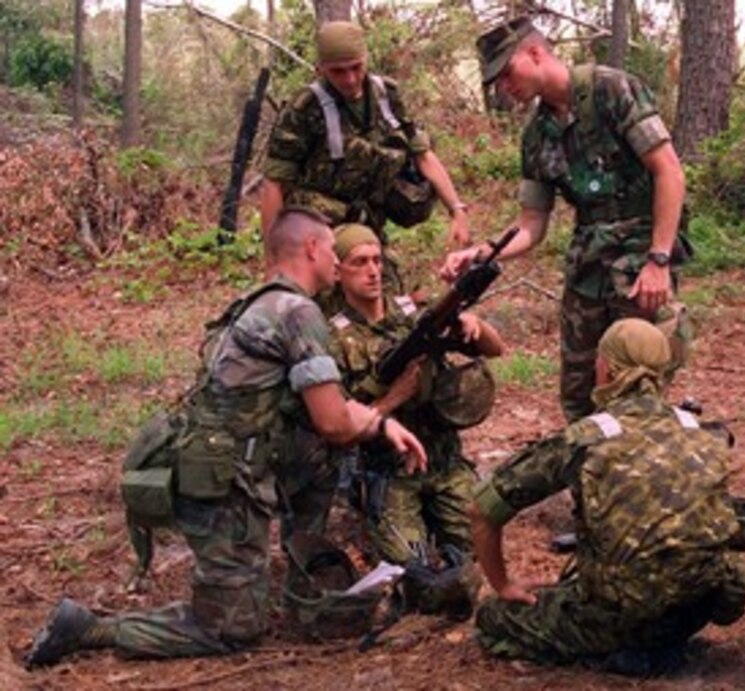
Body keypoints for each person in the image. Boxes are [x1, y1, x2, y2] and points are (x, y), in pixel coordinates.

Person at [23, 210, 427, 667]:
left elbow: (325, 414)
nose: (338, 263)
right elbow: (334, 421)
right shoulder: (298, 312)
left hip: (229, 463)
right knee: (232, 630)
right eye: (335, 252)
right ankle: (92, 628)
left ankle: (303, 583)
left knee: (322, 454)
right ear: (313, 249)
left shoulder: (258, 301)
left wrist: (379, 422)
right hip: (223, 485)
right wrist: (383, 416)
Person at [442, 17, 691, 422]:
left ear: (536, 53)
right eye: (497, 82)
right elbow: (530, 225)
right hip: (588, 272)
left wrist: (659, 260)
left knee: (633, 387)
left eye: (508, 73)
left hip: (638, 265)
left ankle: (639, 478)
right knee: (579, 398)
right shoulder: (536, 137)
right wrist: (481, 253)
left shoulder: (611, 89)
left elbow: (669, 172)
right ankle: (589, 480)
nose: (505, 87)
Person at [469, 318, 745, 672]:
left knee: (494, 617)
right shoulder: (700, 429)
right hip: (696, 606)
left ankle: (620, 651)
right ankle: (662, 642)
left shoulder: (586, 437)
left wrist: (503, 584)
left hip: (622, 615)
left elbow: (483, 508)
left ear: (607, 369)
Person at [326, 223, 504, 615]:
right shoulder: (334, 339)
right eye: (359, 263)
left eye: (376, 260)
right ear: (337, 271)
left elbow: (496, 349)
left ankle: (455, 560)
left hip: (444, 461)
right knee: (412, 567)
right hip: (388, 470)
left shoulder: (415, 313)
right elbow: (338, 422)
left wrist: (475, 326)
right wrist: (393, 399)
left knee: (480, 546)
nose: (373, 271)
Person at [261, 20, 470, 287]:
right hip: (319, 232)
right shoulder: (304, 109)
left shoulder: (386, 96)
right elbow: (274, 184)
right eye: (337, 71)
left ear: (366, 59)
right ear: (321, 69)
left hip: (367, 226)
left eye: (356, 68)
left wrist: (457, 209)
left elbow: (423, 155)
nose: (349, 79)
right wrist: (274, 262)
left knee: (386, 302)